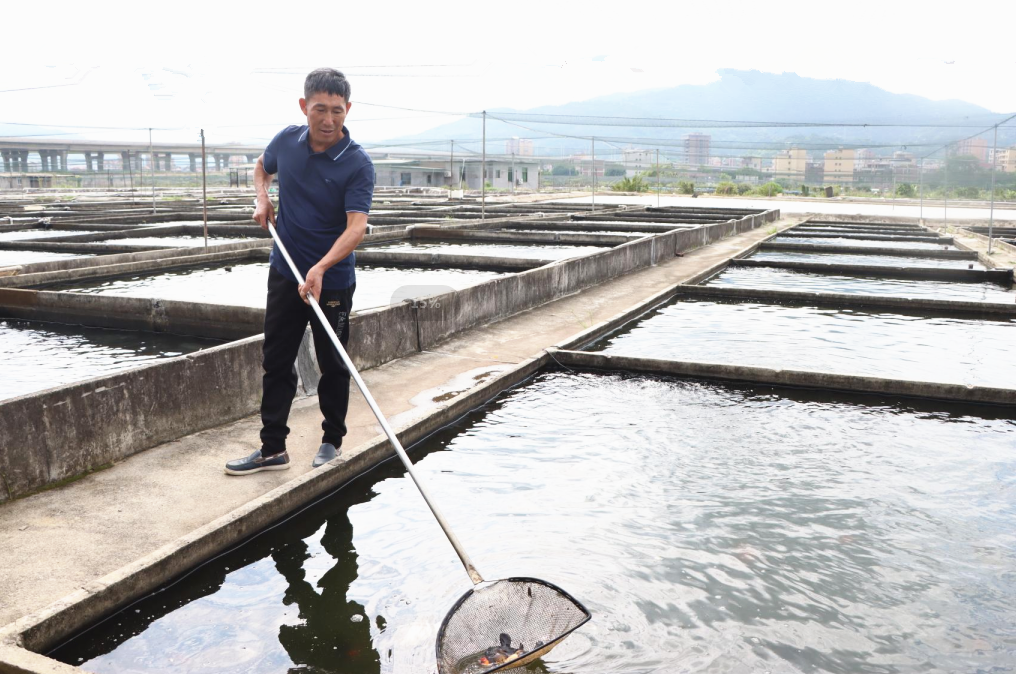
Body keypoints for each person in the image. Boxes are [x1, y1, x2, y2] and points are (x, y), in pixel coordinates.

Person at [226, 68, 374, 475]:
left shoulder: (357, 163)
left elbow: (356, 227)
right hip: (285, 270)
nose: (329, 120)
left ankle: (331, 441)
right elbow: (262, 166)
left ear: (348, 110)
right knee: (276, 359)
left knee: (332, 362)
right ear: (304, 106)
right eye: (320, 109)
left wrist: (322, 266)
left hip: (333, 280)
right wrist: (262, 198)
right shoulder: (287, 142)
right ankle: (272, 448)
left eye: (338, 111)